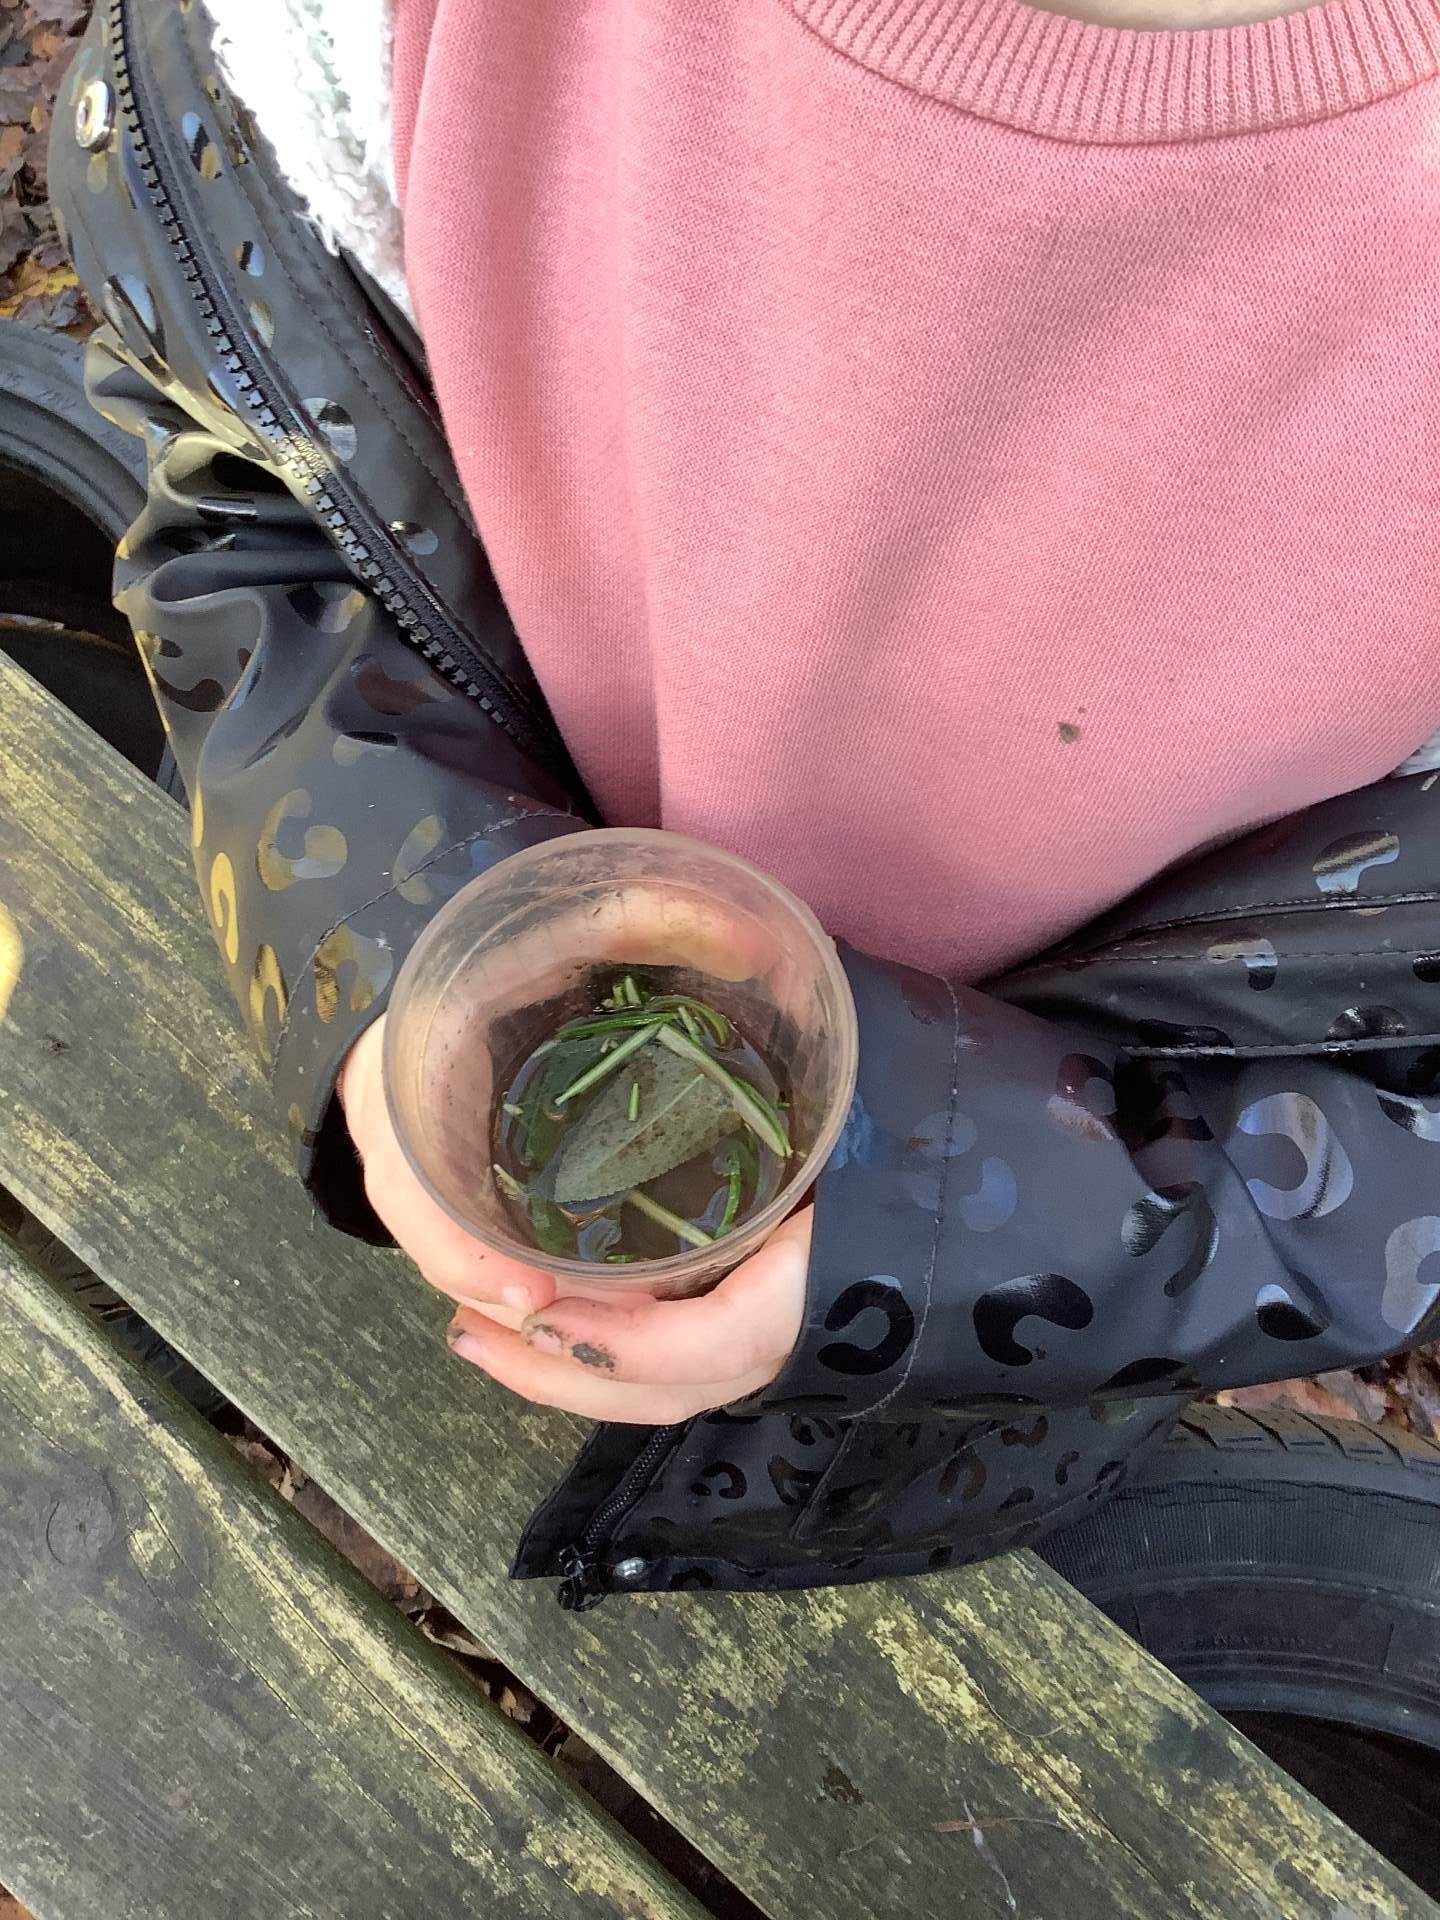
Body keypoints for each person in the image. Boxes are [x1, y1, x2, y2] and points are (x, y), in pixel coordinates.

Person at [52, 0, 1440, 1606]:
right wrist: (381, 927)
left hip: (985, 1367)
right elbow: (241, 464)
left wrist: (931, 1252)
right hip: (437, 1134)